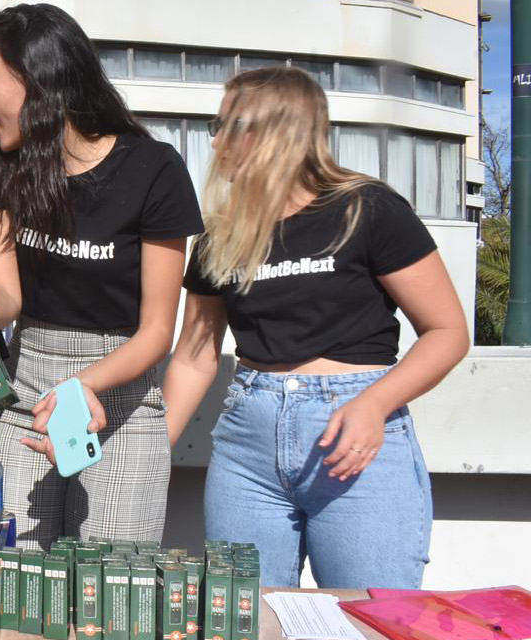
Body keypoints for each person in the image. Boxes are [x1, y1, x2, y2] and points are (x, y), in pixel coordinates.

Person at [164, 67, 469, 588]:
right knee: (244, 617)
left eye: (226, 124)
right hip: (248, 444)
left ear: (271, 130)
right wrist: (153, 451)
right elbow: (195, 356)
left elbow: (447, 331)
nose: (214, 140)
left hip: (355, 436)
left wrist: (373, 404)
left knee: (366, 619)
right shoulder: (222, 236)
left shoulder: (366, 209)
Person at [0, 3, 204, 549]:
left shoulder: (154, 170)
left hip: (119, 401)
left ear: (36, 81)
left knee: (114, 589)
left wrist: (88, 384)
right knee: (14, 583)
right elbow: (7, 295)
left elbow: (155, 334)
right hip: (25, 391)